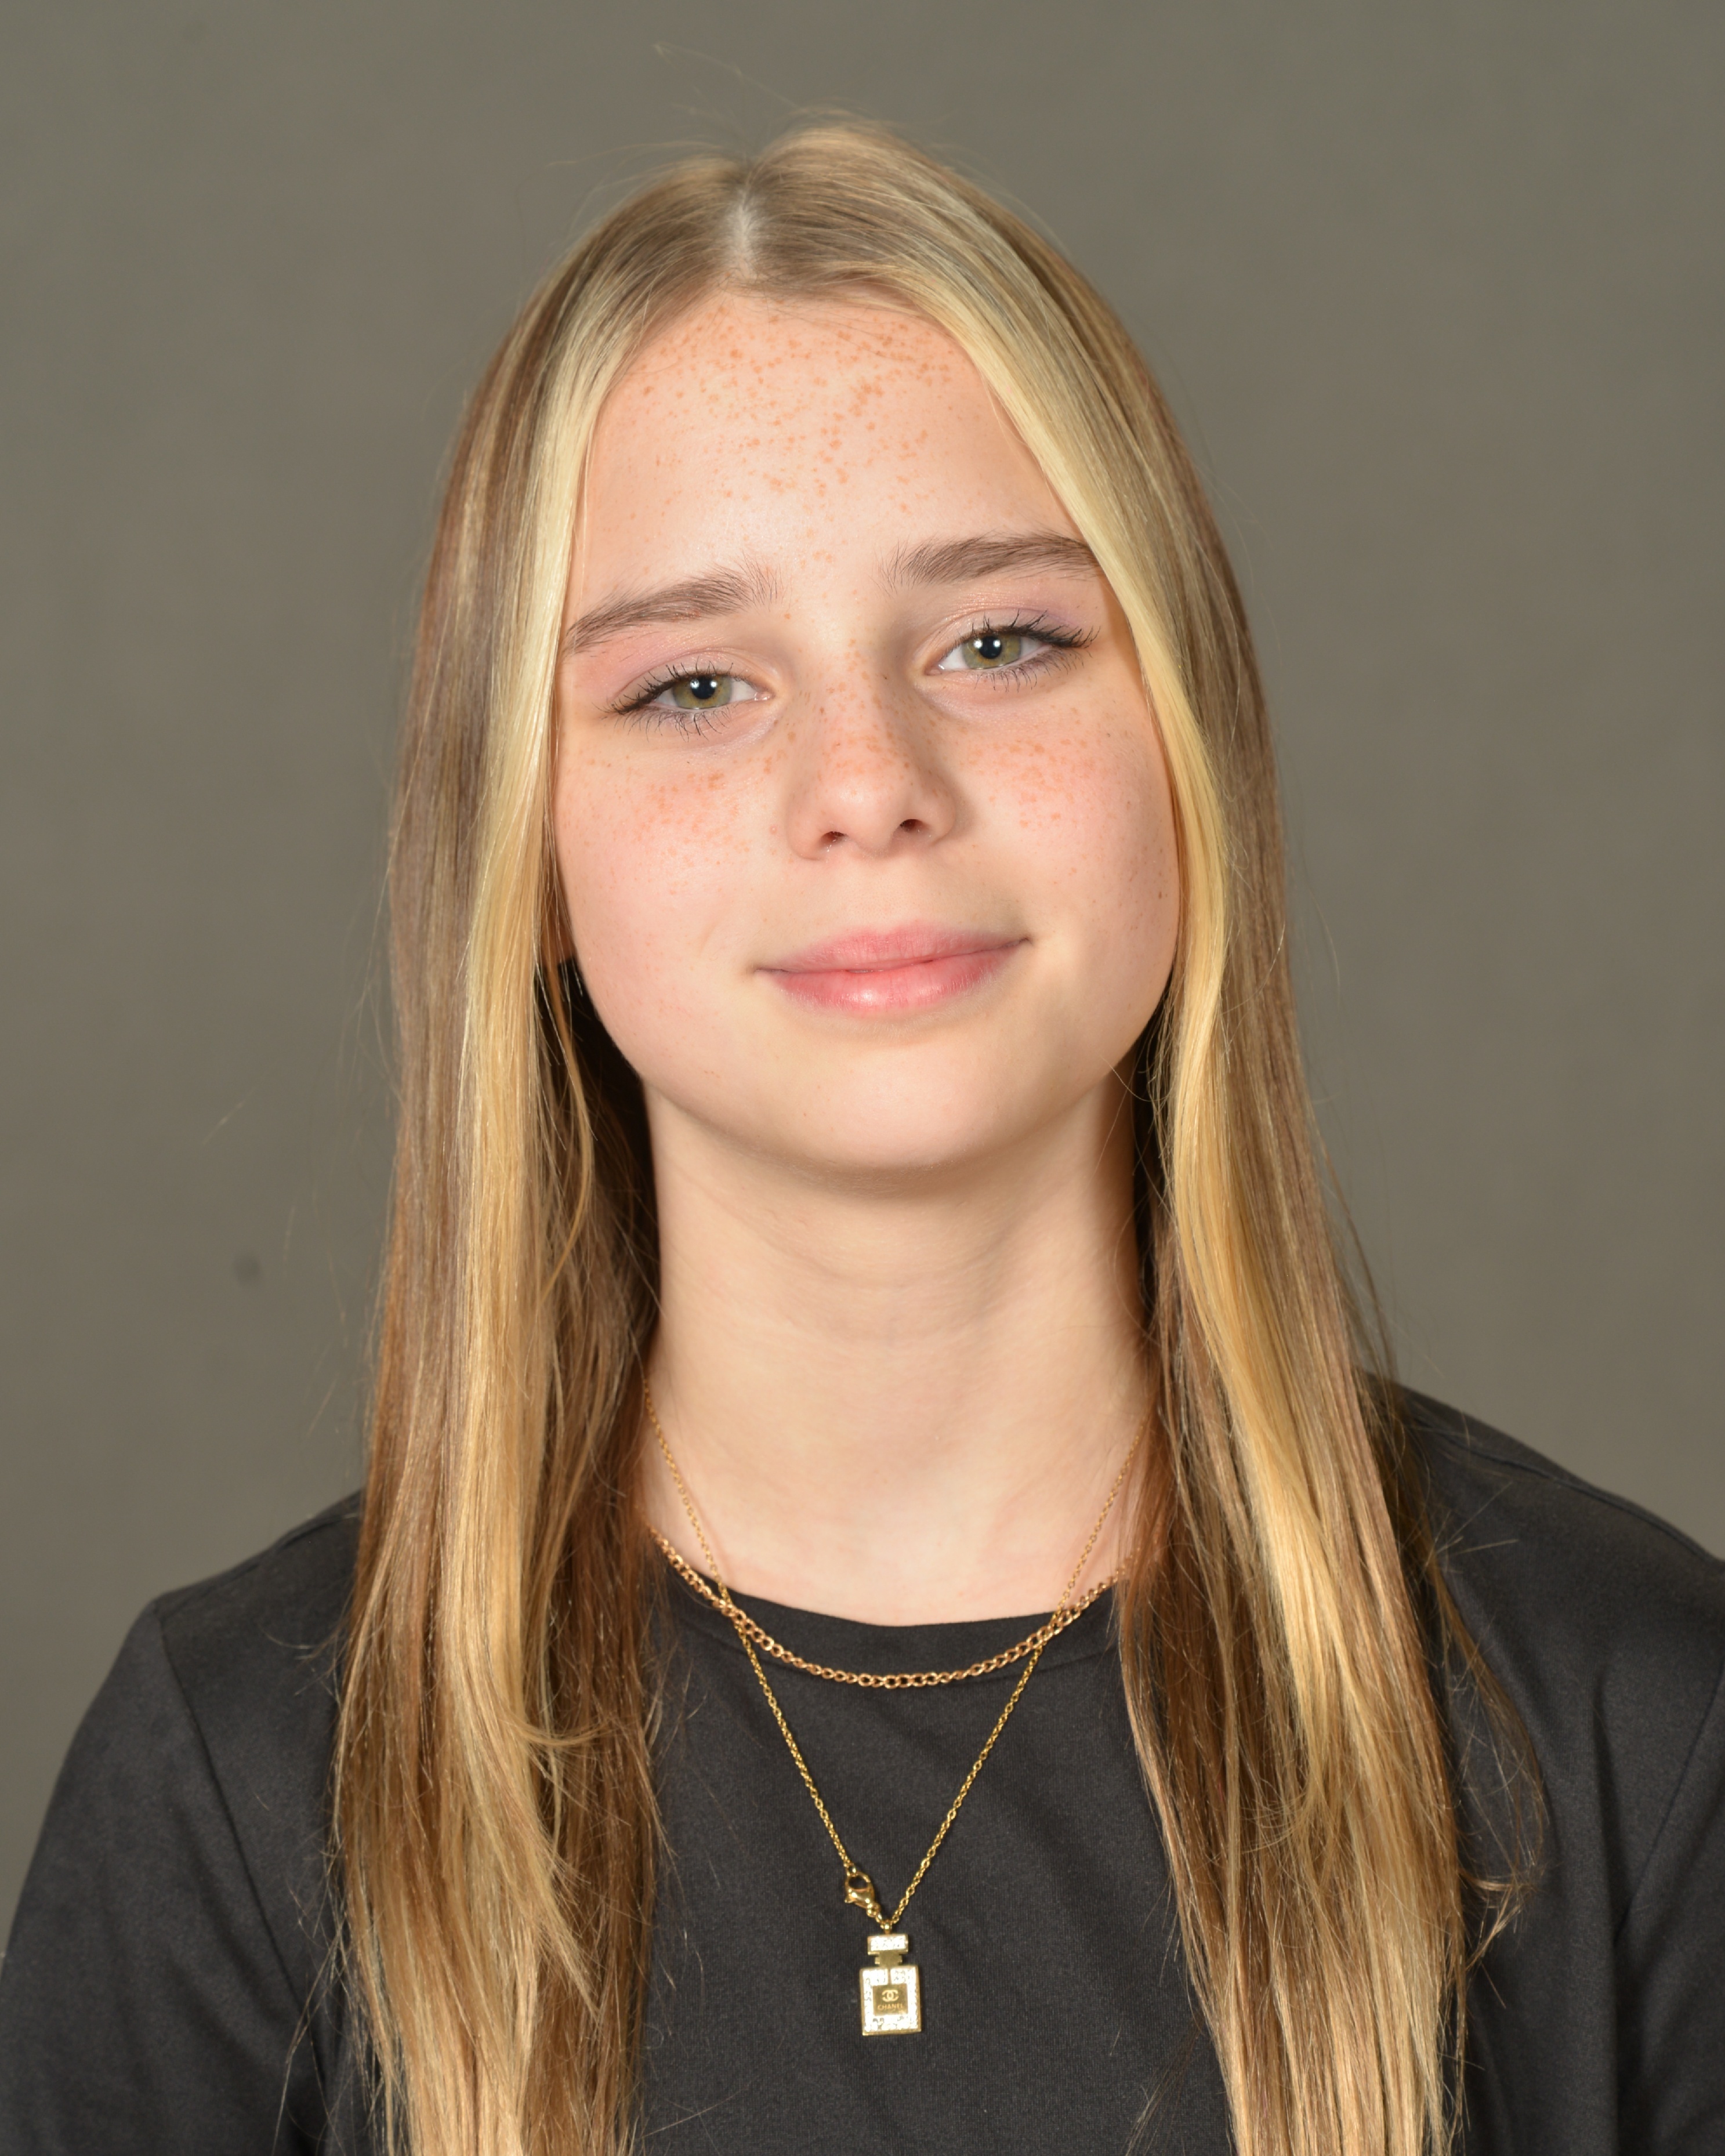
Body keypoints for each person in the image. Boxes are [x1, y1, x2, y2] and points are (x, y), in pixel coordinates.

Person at [1, 122, 1720, 2156]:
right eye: (694, 685)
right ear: (523, 849)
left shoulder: (1629, 1725)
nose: (867, 783)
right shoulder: (237, 1788)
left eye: (999, 642)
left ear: (1190, 741)